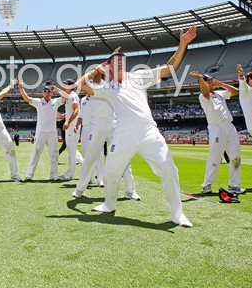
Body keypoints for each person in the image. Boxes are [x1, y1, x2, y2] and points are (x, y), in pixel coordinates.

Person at [88, 27, 197, 228]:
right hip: (122, 132)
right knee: (111, 172)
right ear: (109, 67)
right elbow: (82, 87)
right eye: (115, 61)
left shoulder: (137, 76)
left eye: (122, 60)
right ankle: (109, 205)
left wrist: (182, 44)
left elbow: (168, 68)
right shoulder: (106, 87)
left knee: (168, 167)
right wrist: (98, 69)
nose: (120, 62)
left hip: (148, 130)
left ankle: (177, 214)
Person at [73, 70, 139, 200]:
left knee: (123, 157)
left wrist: (109, 65)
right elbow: (78, 84)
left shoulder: (111, 87)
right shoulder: (92, 87)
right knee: (90, 158)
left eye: (99, 74)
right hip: (96, 126)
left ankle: (130, 191)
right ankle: (79, 189)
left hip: (113, 125)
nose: (97, 76)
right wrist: (94, 71)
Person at [190, 71, 245, 195]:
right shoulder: (203, 96)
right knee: (215, 156)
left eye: (211, 80)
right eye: (208, 81)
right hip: (216, 128)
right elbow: (205, 91)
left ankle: (234, 185)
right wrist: (200, 80)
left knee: (236, 157)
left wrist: (220, 83)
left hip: (229, 127)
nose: (211, 82)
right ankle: (207, 185)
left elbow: (235, 91)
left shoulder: (219, 93)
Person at [17, 82, 61, 181]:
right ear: (43, 93)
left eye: (49, 91)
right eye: (45, 91)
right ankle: (29, 175)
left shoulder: (55, 101)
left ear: (52, 93)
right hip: (41, 132)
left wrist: (57, 89)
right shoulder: (38, 102)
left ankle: (54, 175)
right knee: (36, 153)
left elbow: (66, 97)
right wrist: (21, 88)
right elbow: (27, 98)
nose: (47, 93)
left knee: (54, 154)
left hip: (52, 133)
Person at [54, 79, 84, 181]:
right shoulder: (70, 96)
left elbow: (76, 110)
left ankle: (69, 174)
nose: (64, 85)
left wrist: (68, 122)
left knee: (71, 151)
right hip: (71, 127)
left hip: (72, 128)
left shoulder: (73, 96)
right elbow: (71, 109)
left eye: (66, 84)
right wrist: (64, 116)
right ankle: (87, 170)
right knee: (73, 150)